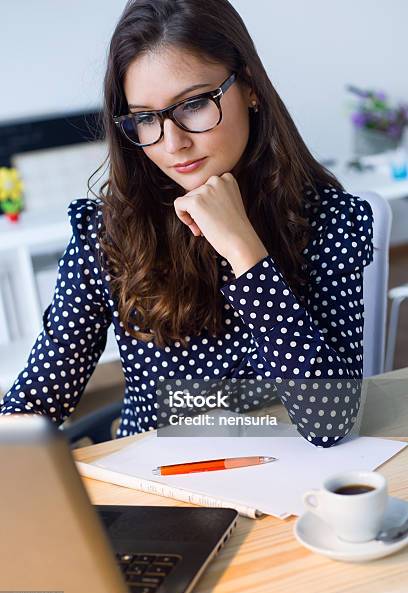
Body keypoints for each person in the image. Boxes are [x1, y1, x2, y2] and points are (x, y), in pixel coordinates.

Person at [0, 0, 373, 447]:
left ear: (250, 87)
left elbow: (331, 420)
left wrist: (243, 249)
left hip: (289, 481)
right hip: (159, 487)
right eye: (145, 118)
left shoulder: (327, 219)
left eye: (193, 104)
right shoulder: (111, 234)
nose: (173, 143)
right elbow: (37, 399)